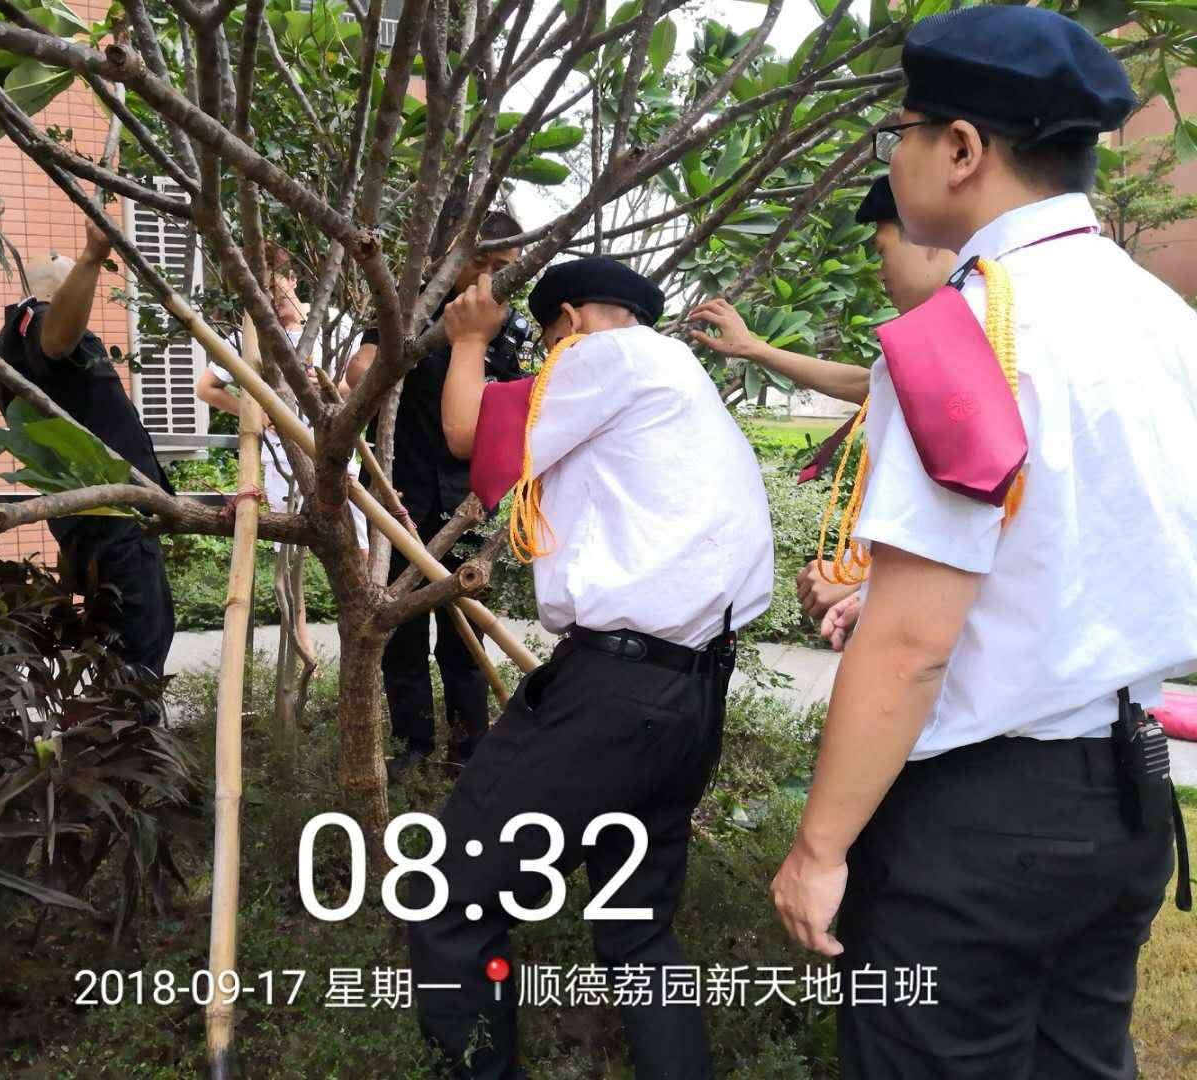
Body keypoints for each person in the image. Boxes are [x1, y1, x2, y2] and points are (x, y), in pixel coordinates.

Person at [768, 8, 1196, 1078]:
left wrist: (819, 849)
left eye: (902, 133)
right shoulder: (1163, 319)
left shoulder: (964, 333)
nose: (897, 157)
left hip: (978, 826)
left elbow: (914, 644)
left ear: (960, 149)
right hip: (1128, 796)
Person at [407, 256, 774, 1079]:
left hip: (616, 692)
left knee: (447, 898)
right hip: (691, 694)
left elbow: (469, 436)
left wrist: (467, 340)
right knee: (638, 930)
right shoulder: (679, 378)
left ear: (569, 320)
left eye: (546, 342)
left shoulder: (601, 358)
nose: (546, 360)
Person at [688, 176, 957, 639]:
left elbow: (966, 514)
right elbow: (870, 384)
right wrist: (755, 349)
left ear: (926, 237)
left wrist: (866, 583)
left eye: (882, 250)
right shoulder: (939, 336)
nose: (879, 270)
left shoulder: (974, 338)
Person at [345, 211, 529, 780]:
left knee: (464, 628)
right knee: (399, 630)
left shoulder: (510, 326)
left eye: (503, 268)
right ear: (456, 252)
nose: (487, 278)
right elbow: (362, 367)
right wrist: (370, 367)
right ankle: (413, 746)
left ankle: (470, 747)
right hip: (400, 491)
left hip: (467, 499)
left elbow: (510, 409)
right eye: (481, 262)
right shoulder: (411, 305)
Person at [0, 218, 175, 698]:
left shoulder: (19, 347)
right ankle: (135, 738)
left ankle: (126, 734)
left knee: (134, 643)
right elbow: (54, 343)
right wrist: (92, 257)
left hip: (107, 515)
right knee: (136, 651)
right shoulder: (31, 325)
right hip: (108, 521)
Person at [197, 242, 368, 657]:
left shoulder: (335, 325)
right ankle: (304, 647)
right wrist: (255, 413)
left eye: (276, 288)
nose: (273, 300)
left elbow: (360, 382)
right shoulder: (250, 335)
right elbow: (205, 387)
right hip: (280, 456)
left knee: (358, 539)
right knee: (291, 555)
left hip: (334, 447)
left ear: (292, 279)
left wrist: (326, 389)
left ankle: (361, 628)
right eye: (262, 293)